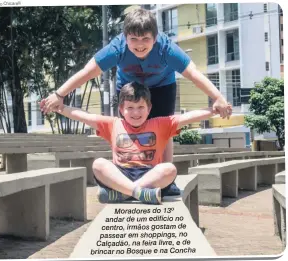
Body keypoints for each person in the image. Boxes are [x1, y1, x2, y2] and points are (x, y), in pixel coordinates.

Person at [40, 8, 232, 195]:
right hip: (128, 86)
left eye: (146, 39)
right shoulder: (117, 48)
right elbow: (88, 71)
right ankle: (124, 174)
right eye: (134, 40)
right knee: (125, 130)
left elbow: (194, 74)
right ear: (125, 38)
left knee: (164, 128)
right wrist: (59, 94)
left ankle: (165, 183)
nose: (140, 45)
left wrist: (218, 98)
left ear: (155, 37)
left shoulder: (167, 48)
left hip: (162, 86)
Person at [40, 82, 222, 205]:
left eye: (141, 107)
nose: (136, 113)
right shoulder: (112, 124)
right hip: (121, 173)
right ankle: (138, 193)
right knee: (98, 164)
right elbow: (83, 116)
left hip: (150, 175)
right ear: (121, 109)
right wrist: (60, 108)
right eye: (130, 108)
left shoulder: (160, 123)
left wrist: (214, 110)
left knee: (169, 169)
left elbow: (187, 117)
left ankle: (123, 193)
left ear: (149, 108)